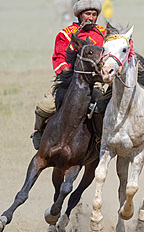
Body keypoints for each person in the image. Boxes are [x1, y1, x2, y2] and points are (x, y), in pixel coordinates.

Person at [31, 0, 106, 150]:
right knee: (45, 107)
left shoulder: (103, 34)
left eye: (94, 14)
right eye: (87, 14)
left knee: (100, 107)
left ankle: (100, 140)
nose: (91, 18)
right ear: (79, 15)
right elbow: (59, 59)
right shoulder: (65, 34)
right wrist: (71, 75)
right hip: (70, 83)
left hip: (97, 83)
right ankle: (38, 132)